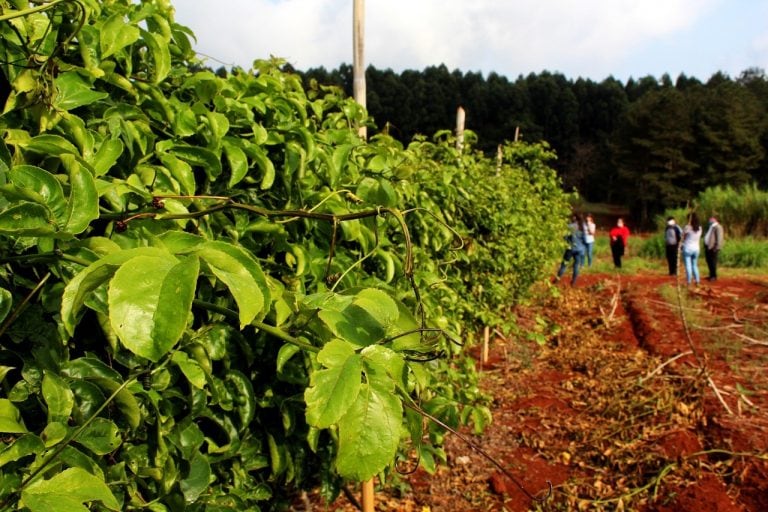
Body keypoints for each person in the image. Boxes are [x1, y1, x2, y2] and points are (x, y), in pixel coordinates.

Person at [556, 213, 587, 285]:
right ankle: (573, 282)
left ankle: (557, 280)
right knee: (576, 266)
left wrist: (567, 242)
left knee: (564, 265)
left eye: (572, 217)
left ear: (575, 218)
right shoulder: (582, 227)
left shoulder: (570, 226)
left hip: (571, 248)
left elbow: (565, 237)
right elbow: (585, 239)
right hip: (580, 249)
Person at [681, 213, 702, 286]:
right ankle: (697, 281)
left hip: (687, 248)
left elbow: (682, 237)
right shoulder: (699, 228)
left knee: (688, 266)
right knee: (695, 265)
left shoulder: (687, 227)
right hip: (696, 249)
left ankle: (689, 282)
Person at [704, 216, 725, 281]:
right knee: (709, 261)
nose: (710, 220)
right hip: (708, 247)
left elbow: (719, 238)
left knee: (713, 262)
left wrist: (717, 247)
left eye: (712, 219)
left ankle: (713, 276)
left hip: (713, 248)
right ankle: (711, 274)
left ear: (716, 220)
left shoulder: (718, 227)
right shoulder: (711, 227)